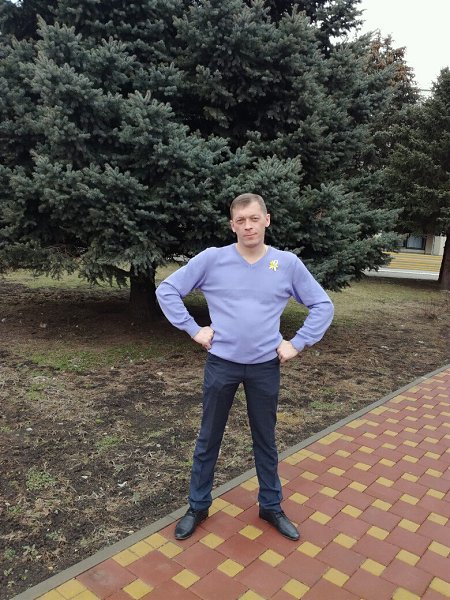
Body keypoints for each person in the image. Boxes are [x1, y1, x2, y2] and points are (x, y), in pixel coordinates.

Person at [156, 193, 334, 541]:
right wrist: (194, 329)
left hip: (265, 367)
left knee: (265, 439)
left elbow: (322, 305)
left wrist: (297, 343)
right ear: (232, 225)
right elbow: (167, 290)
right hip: (221, 365)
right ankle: (197, 506)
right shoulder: (212, 259)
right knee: (209, 437)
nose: (248, 226)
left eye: (254, 218)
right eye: (241, 220)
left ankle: (271, 506)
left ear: (267, 220)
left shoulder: (286, 264)